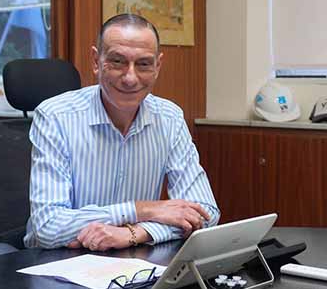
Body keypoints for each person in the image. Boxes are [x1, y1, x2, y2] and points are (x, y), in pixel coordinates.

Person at [24, 14, 220, 251]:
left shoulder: (169, 118)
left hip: (132, 258)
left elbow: (205, 213)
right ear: (96, 61)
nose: (130, 78)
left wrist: (134, 233)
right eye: (117, 61)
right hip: (57, 262)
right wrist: (144, 209)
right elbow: (47, 227)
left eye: (144, 64)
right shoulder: (55, 116)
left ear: (158, 66)